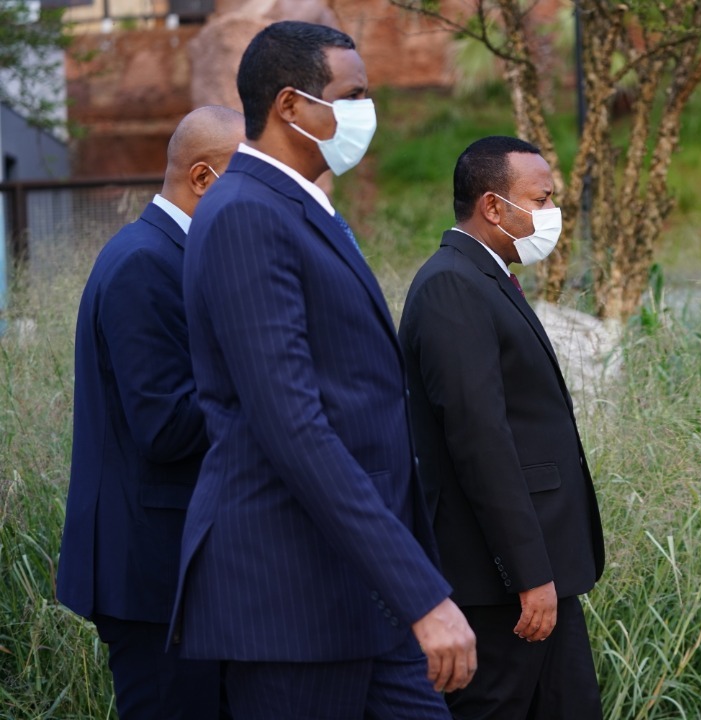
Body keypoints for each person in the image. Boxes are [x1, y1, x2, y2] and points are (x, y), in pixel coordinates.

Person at [171, 21, 475, 719]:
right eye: (353, 95)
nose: (368, 112)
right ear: (290, 105)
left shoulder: (297, 206)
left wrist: (408, 582)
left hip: (360, 591)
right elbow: (293, 425)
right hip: (292, 599)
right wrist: (420, 594)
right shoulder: (245, 214)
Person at [398, 135, 606, 720]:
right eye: (541, 200)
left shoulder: (485, 278)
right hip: (500, 585)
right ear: (493, 206)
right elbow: (480, 440)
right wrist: (528, 573)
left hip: (541, 573)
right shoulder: (451, 285)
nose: (552, 213)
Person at [56, 104, 244, 720]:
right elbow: (164, 426)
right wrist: (263, 377)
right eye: (248, 181)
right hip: (152, 573)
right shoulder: (145, 262)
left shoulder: (172, 254)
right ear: (203, 178)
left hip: (176, 570)